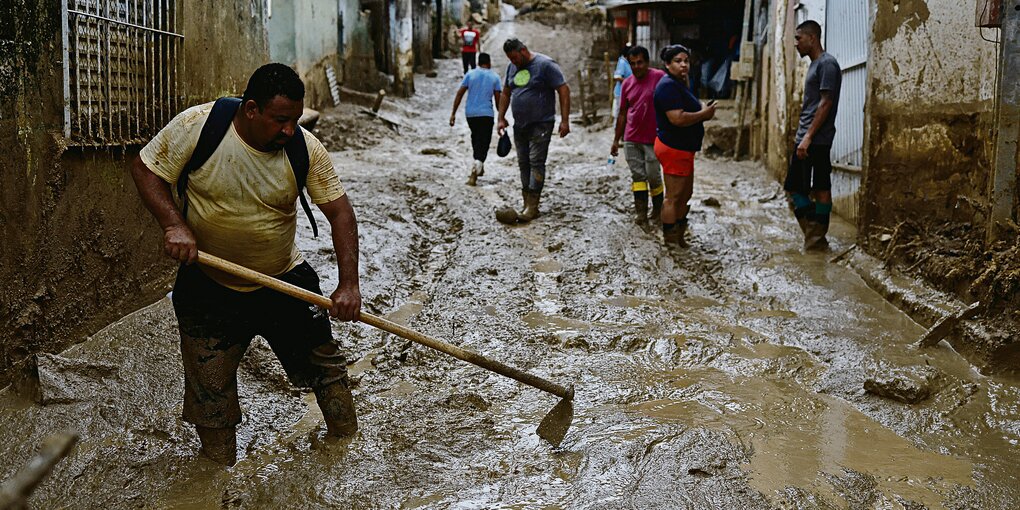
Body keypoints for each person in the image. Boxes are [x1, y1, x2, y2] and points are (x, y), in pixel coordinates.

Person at [128, 64, 362, 466]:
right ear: (251, 110)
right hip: (208, 286)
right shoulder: (200, 128)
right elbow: (146, 168)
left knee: (328, 373)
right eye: (280, 120)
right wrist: (174, 224)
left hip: (284, 280)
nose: (289, 130)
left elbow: (340, 214)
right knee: (210, 395)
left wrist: (348, 286)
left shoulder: (305, 149)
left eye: (295, 120)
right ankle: (217, 477)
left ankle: (348, 452)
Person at [495, 38, 571, 224]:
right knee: (523, 162)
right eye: (510, 59)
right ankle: (526, 201)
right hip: (520, 124)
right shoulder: (511, 67)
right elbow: (506, 92)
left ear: (523, 50)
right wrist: (501, 117)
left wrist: (565, 120)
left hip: (542, 123)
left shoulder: (545, 65)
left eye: (515, 58)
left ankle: (532, 206)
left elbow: (563, 89)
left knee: (536, 161)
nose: (513, 62)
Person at [653, 44, 716, 247]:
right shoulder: (667, 86)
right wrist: (704, 114)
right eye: (678, 61)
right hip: (674, 147)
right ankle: (671, 241)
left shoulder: (680, 83)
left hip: (683, 148)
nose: (683, 65)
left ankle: (679, 236)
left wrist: (701, 108)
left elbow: (689, 106)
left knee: (685, 194)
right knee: (673, 197)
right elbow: (677, 119)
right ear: (667, 64)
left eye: (686, 61)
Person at [786, 20, 841, 251]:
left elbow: (825, 103)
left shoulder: (827, 64)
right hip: (808, 136)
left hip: (816, 139)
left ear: (812, 38)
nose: (796, 43)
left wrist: (808, 137)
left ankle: (816, 238)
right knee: (795, 187)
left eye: (799, 38)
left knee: (819, 187)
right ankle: (816, 237)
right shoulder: (816, 64)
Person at [610, 45, 666, 225]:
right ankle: (641, 212)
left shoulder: (659, 77)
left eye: (640, 62)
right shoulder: (627, 83)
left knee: (653, 175)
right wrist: (616, 140)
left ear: (647, 62)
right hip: (632, 138)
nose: (636, 67)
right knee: (637, 176)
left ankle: (658, 210)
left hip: (653, 138)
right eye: (632, 63)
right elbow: (623, 113)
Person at [450, 52, 502, 186]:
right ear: (489, 63)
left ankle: (479, 166)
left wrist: (453, 113)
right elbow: (498, 100)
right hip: (486, 114)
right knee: (484, 141)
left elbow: (459, 94)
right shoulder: (495, 77)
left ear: (478, 62)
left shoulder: (470, 75)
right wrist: (501, 117)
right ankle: (475, 171)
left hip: (471, 114)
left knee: (475, 138)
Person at [612, 45, 632, 120]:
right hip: (620, 93)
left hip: (627, 92)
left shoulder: (628, 63)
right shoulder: (622, 62)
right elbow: (617, 76)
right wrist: (629, 81)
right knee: (619, 114)